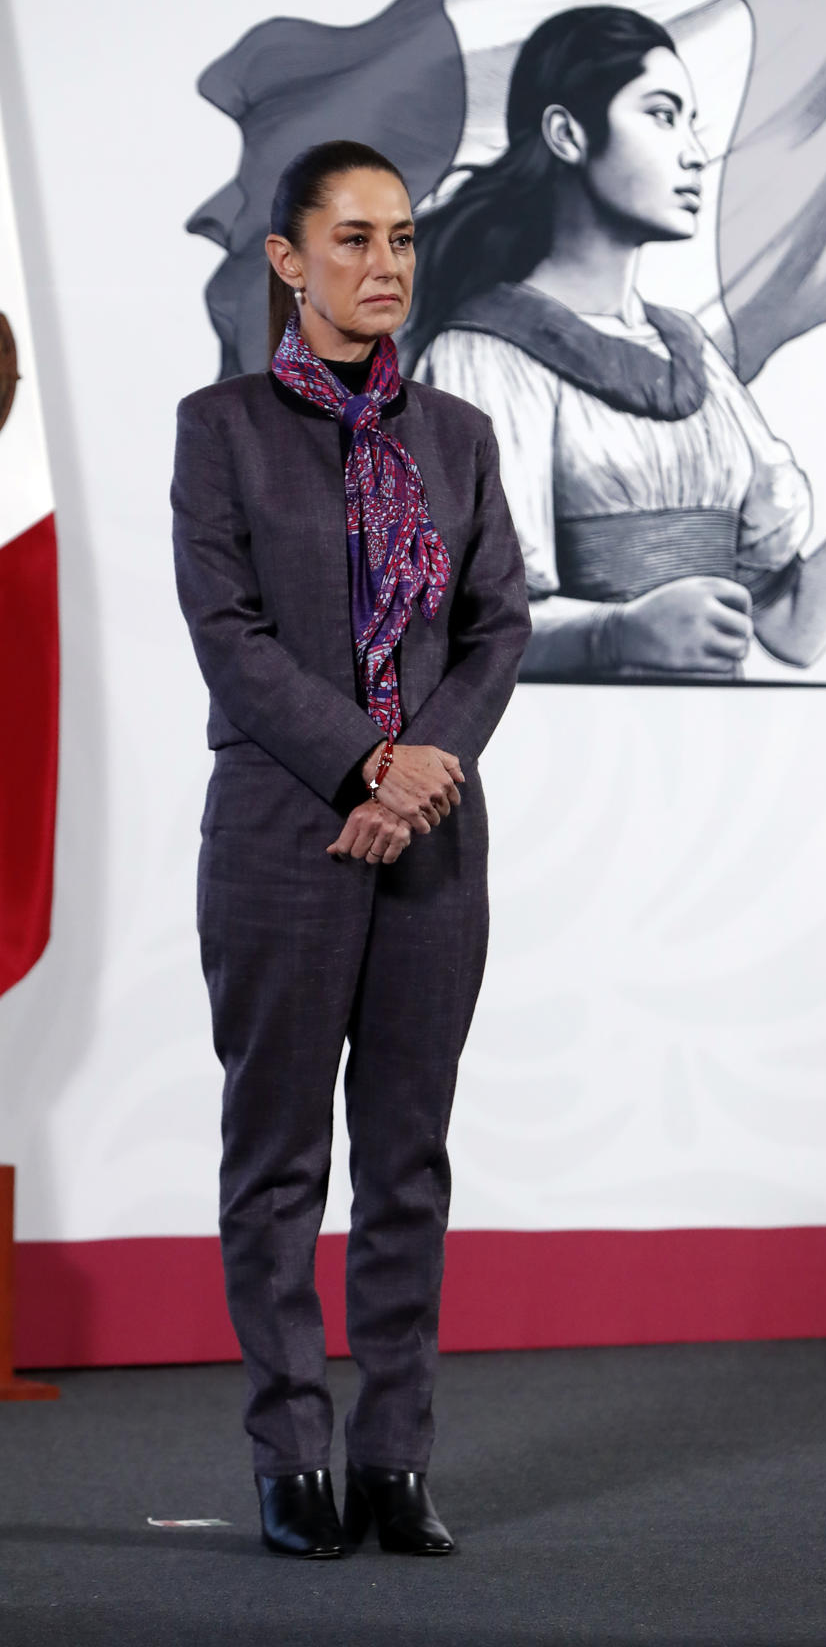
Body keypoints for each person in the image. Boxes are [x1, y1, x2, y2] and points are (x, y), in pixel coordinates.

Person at [171, 139, 530, 1559]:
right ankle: (288, 1458)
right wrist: (364, 758)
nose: (383, 266)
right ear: (288, 260)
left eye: (401, 240)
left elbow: (497, 627)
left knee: (409, 1163)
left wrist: (423, 767)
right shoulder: (223, 430)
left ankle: (394, 1462)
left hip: (436, 842)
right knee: (275, 1166)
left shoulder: (460, 439)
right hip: (283, 836)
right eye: (354, 240)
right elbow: (231, 637)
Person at [406, 7, 826, 681]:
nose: (695, 151)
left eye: (691, 121)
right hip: (572, 766)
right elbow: (464, 636)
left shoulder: (689, 354)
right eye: (663, 115)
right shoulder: (483, 357)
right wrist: (614, 634)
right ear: (566, 134)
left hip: (712, 763)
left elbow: (791, 628)